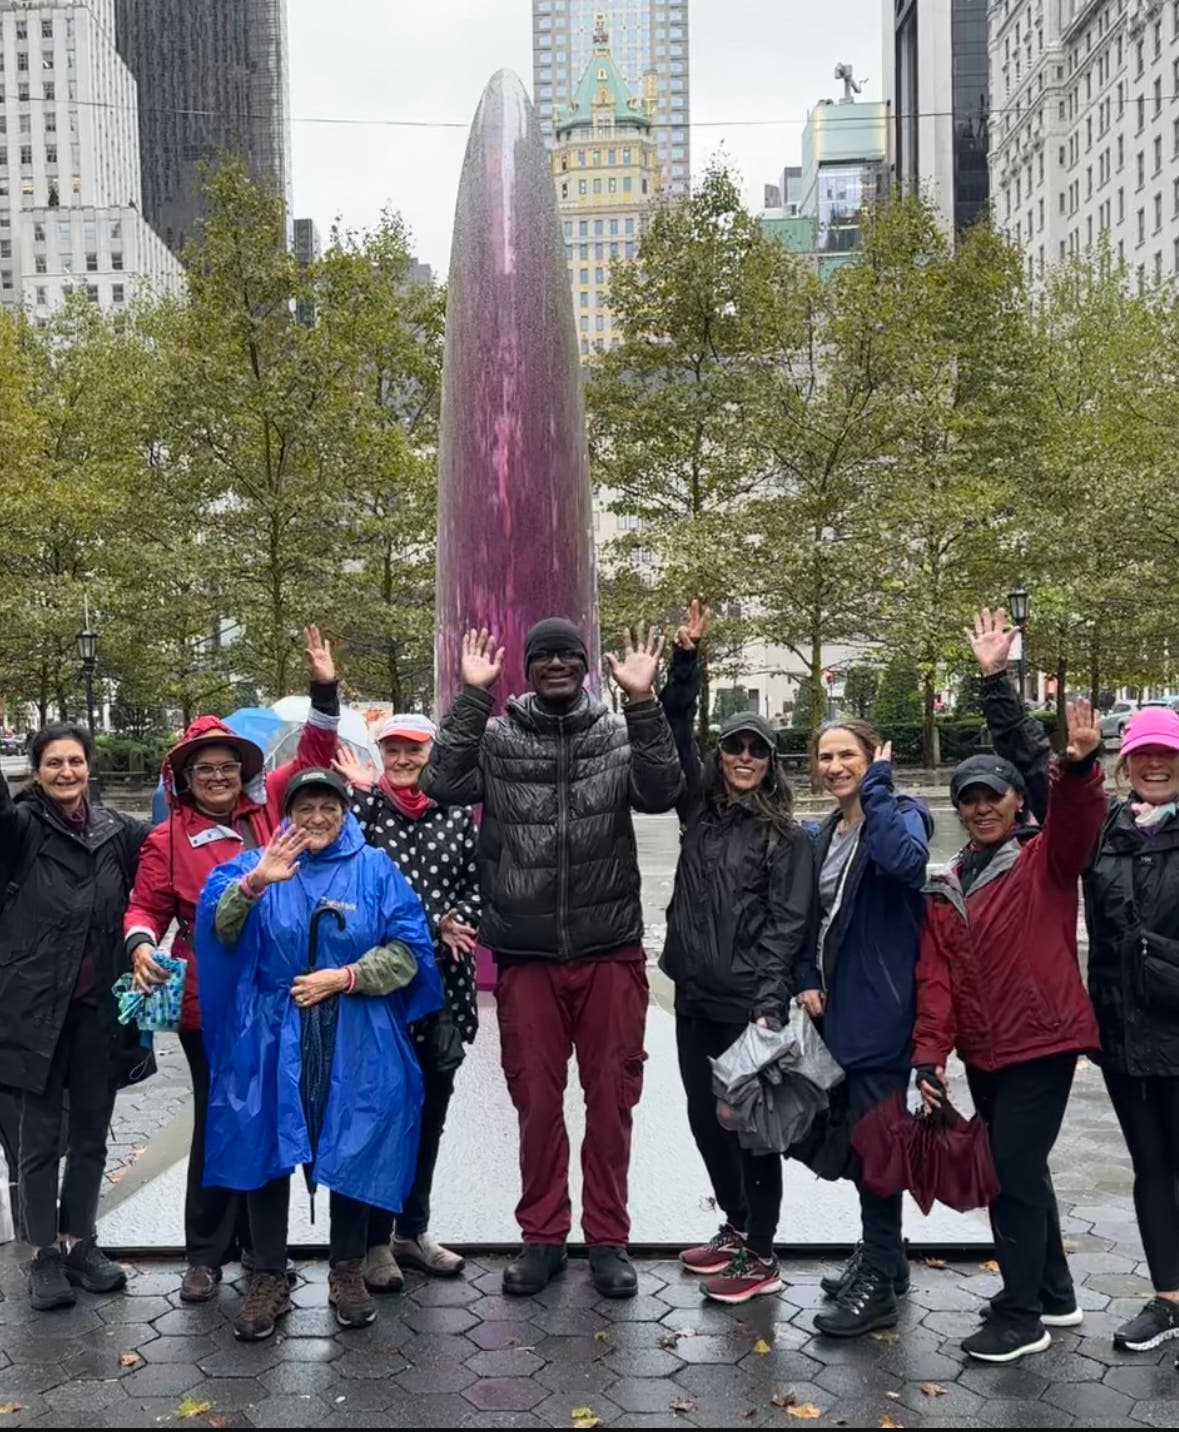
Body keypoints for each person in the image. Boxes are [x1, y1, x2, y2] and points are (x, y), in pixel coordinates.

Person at [421, 619, 683, 1299]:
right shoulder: (499, 738)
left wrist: (646, 702)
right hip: (526, 954)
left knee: (610, 1103)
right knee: (536, 1104)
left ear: (586, 666)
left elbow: (661, 792)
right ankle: (541, 1236)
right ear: (527, 669)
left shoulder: (618, 733)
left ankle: (606, 1238)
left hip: (609, 952)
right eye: (544, 657)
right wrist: (472, 698)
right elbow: (441, 783)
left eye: (569, 655)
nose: (558, 664)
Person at [974, 608, 1179, 1357]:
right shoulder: (1104, 828)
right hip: (1123, 1030)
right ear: (1126, 763)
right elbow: (1041, 771)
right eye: (1143, 755)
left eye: (1167, 755)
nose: (1154, 765)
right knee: (1149, 1165)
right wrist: (997, 680)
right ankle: (1168, 1297)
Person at [122, 626, 341, 1304]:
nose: (217, 777)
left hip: (278, 992)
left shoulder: (268, 810)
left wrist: (324, 688)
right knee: (223, 1114)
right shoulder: (167, 838)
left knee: (266, 1114)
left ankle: (259, 1252)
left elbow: (317, 752)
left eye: (225, 767)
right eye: (203, 770)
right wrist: (139, 946)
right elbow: (143, 908)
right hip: (210, 1005)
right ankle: (205, 1252)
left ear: (241, 771)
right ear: (185, 779)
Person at [195, 769, 443, 1341]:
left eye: (328, 806)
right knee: (265, 1142)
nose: (317, 818)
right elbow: (219, 933)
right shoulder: (255, 862)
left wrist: (348, 976)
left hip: (356, 1029)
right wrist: (255, 884)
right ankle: (268, 1274)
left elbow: (408, 949)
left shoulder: (376, 868)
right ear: (288, 811)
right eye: (305, 806)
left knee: (353, 1136)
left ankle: (347, 1268)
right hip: (270, 1029)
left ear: (344, 810)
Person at [914, 682, 1105, 1364]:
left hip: (1042, 1044)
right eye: (967, 798)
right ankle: (1052, 1291)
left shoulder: (1043, 861)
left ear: (1017, 800)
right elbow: (934, 982)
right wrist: (928, 1058)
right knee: (1024, 1172)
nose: (980, 807)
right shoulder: (947, 885)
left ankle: (1022, 1317)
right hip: (984, 1055)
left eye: (992, 794)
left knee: (1009, 1175)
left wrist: (1077, 768)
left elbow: (1079, 820)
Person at [659, 603, 816, 1305]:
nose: (744, 759)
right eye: (734, 748)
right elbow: (668, 736)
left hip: (748, 1004)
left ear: (770, 763)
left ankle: (761, 1251)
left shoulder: (787, 838)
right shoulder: (697, 808)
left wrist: (767, 1005)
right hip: (694, 995)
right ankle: (734, 1224)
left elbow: (788, 925)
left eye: (757, 750)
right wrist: (685, 661)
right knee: (702, 1117)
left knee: (750, 1128)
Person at [0, 722, 151, 1311]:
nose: (67, 772)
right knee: (38, 1138)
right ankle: (42, 1253)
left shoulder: (120, 832)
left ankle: (80, 1239)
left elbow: (170, 860)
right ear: (35, 771)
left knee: (90, 1133)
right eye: (54, 763)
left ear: (90, 767)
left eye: (75, 762)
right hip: (35, 1009)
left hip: (100, 1011)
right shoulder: (17, 830)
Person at [792, 719, 932, 1338]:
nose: (833, 765)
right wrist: (804, 975)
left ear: (873, 759)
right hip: (836, 1012)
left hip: (882, 1009)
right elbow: (810, 917)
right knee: (854, 1138)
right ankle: (885, 1257)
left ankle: (878, 1281)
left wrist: (879, 788)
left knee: (877, 1142)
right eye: (825, 756)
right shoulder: (823, 832)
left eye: (848, 754)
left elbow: (905, 865)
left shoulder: (904, 813)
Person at [333, 713, 481, 1292]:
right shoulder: (363, 812)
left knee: (429, 1114)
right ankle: (372, 1240)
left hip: (441, 991)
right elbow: (346, 884)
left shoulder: (456, 816)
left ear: (431, 754)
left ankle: (411, 1230)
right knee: (380, 1113)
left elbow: (479, 883)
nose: (403, 759)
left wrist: (457, 920)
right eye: (392, 749)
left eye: (413, 750)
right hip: (380, 993)